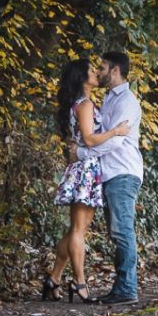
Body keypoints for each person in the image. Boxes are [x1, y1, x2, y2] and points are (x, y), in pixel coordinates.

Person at [43, 58, 131, 302]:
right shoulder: (85, 105)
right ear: (82, 78)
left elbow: (83, 139)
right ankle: (80, 284)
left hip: (85, 168)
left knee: (76, 229)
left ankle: (55, 278)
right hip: (85, 169)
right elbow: (90, 140)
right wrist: (116, 131)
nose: (96, 74)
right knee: (79, 230)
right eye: (92, 71)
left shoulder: (83, 104)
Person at [87, 50, 144, 304]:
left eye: (103, 67)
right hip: (110, 173)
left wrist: (82, 152)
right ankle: (122, 288)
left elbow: (116, 141)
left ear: (116, 70)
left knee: (122, 232)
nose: (99, 71)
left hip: (123, 171)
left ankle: (127, 289)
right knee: (117, 233)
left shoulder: (127, 102)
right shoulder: (110, 98)